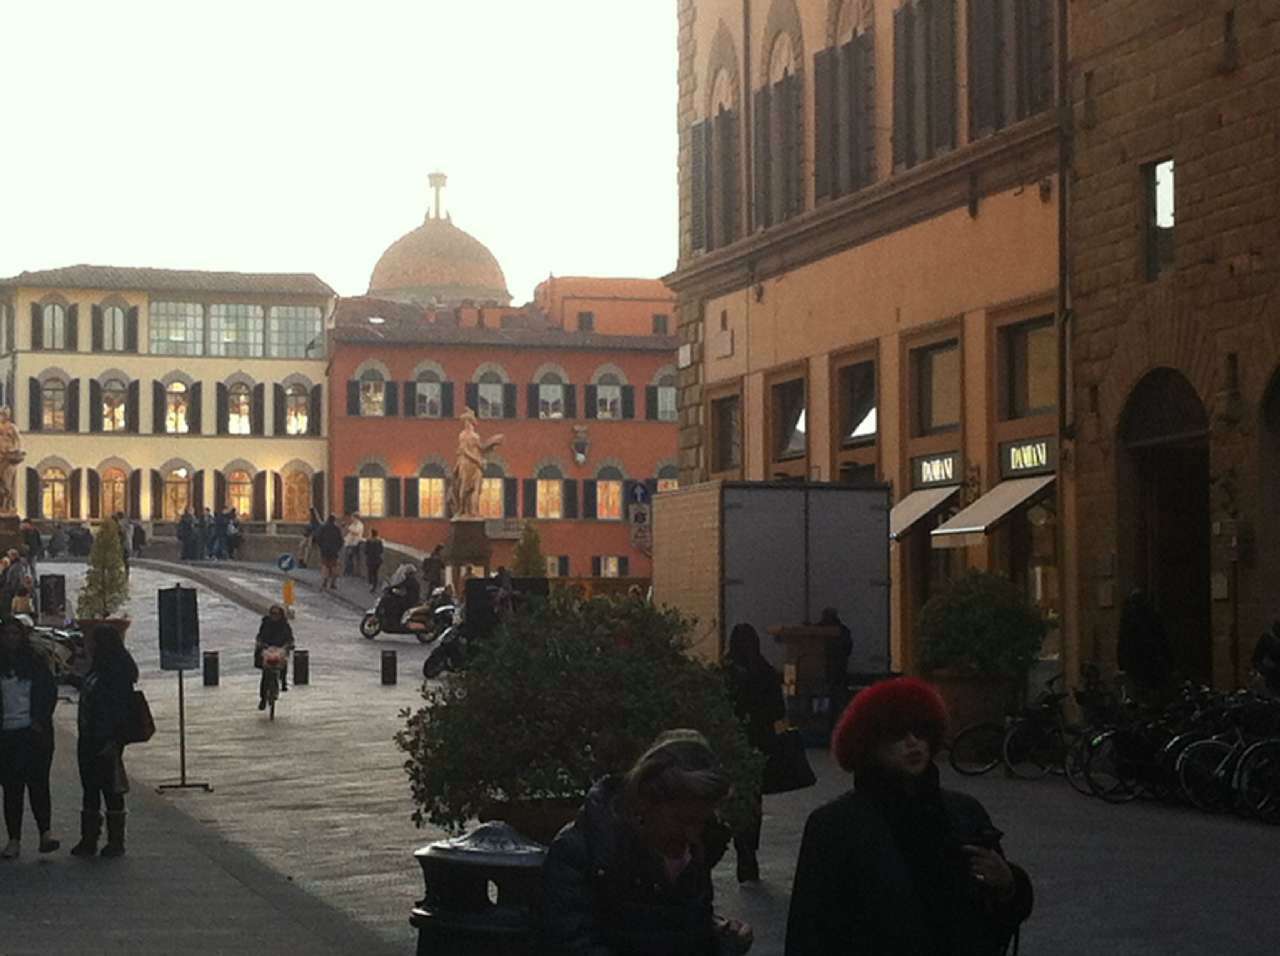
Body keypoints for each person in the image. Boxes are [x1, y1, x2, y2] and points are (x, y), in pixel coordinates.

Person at [786, 677, 1033, 955]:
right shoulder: (834, 826)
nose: (912, 742)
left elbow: (994, 916)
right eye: (896, 734)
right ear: (868, 745)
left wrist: (1009, 885)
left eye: (919, 731)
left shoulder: (964, 812)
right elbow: (808, 931)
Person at [542, 729, 753, 956]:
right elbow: (571, 944)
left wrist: (723, 942)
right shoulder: (579, 851)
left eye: (701, 822)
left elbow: (687, 933)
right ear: (645, 803)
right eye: (683, 821)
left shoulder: (697, 849)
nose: (692, 834)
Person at [724, 623, 785, 884]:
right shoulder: (766, 672)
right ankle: (751, 850)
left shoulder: (726, 672)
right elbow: (779, 711)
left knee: (737, 797)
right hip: (761, 744)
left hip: (734, 744)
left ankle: (742, 847)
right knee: (755, 799)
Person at [71, 624, 138, 859]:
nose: (89, 645)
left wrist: (113, 740)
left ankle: (115, 841)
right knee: (90, 788)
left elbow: (118, 710)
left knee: (111, 789)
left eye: (93, 641)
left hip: (105, 739)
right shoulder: (98, 669)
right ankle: (89, 839)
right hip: (89, 737)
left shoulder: (116, 673)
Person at [0, 617, 60, 858]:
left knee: (38, 784)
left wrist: (39, 720)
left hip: (33, 733)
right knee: (11, 788)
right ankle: (14, 839)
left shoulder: (35, 662)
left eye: (15, 634)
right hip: (6, 734)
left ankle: (45, 833)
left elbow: (49, 692)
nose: (11, 639)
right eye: (6, 634)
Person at [1117, 589, 1174, 702]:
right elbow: (1162, 641)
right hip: (1149, 666)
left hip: (1138, 666)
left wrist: (1122, 664)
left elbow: (1122, 644)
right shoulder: (1151, 616)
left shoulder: (1128, 619)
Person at [254, 605, 294, 710]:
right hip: (267, 649)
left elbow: (290, 638)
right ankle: (263, 699)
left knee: (283, 662)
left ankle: (283, 682)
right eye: (272, 614)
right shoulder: (266, 623)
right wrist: (260, 644)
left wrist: (288, 645)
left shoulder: (285, 625)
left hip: (280, 649)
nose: (274, 616)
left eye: (276, 614)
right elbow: (260, 636)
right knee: (265, 675)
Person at [818, 607, 854, 720]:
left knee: (828, 703)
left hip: (827, 675)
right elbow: (848, 649)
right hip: (837, 675)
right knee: (838, 704)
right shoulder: (843, 631)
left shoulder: (818, 630)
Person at [316, 515, 344, 590]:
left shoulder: (323, 528)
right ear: (334, 521)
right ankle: (333, 583)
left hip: (325, 551)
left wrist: (321, 547)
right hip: (334, 551)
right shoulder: (337, 529)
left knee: (325, 566)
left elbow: (318, 538)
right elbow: (341, 541)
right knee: (334, 567)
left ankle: (325, 581)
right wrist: (337, 548)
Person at [365, 528, 384, 593]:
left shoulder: (368, 541)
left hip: (370, 559)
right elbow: (381, 550)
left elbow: (366, 551)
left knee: (370, 573)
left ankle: (371, 585)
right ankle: (374, 586)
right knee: (375, 574)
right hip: (377, 560)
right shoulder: (379, 541)